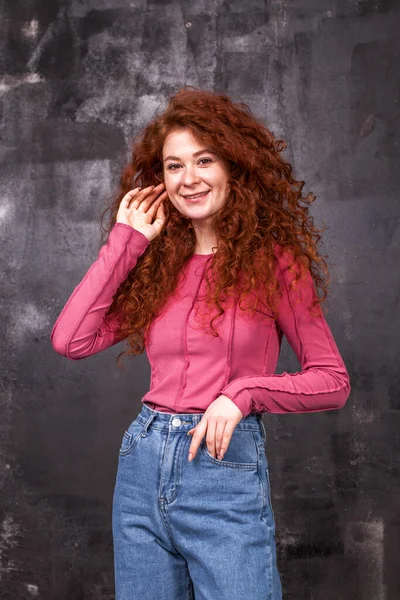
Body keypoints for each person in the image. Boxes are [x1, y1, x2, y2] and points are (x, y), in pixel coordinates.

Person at [50, 86, 351, 600]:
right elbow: (70, 339)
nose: (188, 179)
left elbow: (333, 381)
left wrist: (242, 394)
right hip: (143, 466)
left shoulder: (274, 263)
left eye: (204, 160)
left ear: (233, 166)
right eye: (173, 166)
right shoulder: (156, 267)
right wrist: (127, 241)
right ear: (159, 179)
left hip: (222, 466)